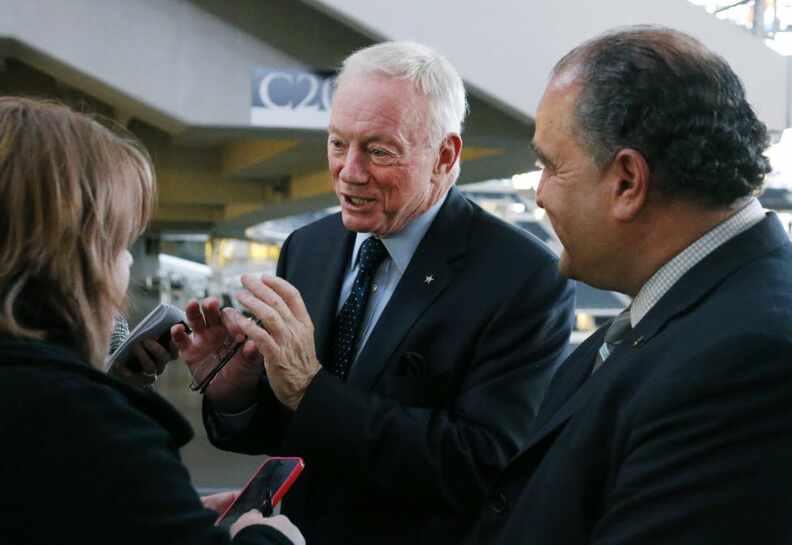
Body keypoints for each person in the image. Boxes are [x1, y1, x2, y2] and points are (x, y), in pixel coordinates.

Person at [172, 41, 575, 545]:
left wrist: (309, 388)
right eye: (338, 144)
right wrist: (236, 394)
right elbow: (296, 430)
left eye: (379, 151)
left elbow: (483, 466)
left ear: (445, 155)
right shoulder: (308, 248)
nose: (349, 171)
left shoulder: (523, 278)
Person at [465, 26, 792, 545]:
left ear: (627, 182)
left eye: (549, 165)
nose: (540, 195)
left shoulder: (754, 361)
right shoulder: (696, 311)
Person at [0, 97, 303, 545]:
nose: (125, 266)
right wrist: (268, 539)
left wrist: (156, 517)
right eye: (121, 242)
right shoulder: (85, 428)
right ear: (73, 259)